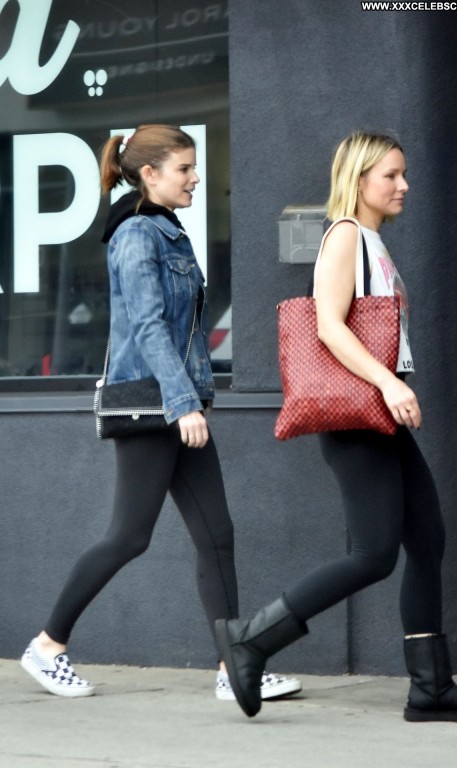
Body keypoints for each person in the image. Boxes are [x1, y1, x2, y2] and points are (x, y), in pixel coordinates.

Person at [215, 131, 457, 722]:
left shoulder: (371, 240)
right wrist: (390, 382)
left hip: (378, 415)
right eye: (391, 175)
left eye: (403, 174)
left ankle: (431, 687)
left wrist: (390, 388)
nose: (404, 186)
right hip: (357, 415)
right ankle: (250, 641)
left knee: (427, 540)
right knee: (374, 554)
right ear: (359, 179)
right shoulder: (345, 234)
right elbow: (328, 324)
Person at [21, 124, 301, 703]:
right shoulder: (136, 235)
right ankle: (47, 645)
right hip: (153, 404)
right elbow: (148, 327)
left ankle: (232, 667)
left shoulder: (168, 230)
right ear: (149, 174)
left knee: (216, 535)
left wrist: (190, 399)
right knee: (129, 536)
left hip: (178, 401)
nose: (196, 178)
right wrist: (182, 404)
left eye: (194, 167)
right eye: (185, 168)